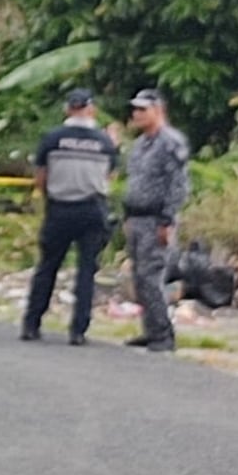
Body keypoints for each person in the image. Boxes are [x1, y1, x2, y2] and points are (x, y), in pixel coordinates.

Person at [21, 88, 119, 346]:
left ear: (67, 109)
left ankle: (31, 324)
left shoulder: (52, 139)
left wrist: (51, 197)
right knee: (86, 271)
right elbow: (109, 177)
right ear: (91, 109)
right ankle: (78, 331)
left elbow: (41, 178)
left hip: (59, 209)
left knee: (47, 267)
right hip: (92, 210)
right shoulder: (105, 142)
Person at [122, 88, 190, 352]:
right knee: (139, 278)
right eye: (135, 109)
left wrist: (167, 220)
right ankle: (150, 330)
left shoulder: (170, 142)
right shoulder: (140, 144)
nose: (136, 114)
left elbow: (178, 185)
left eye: (142, 109)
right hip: (137, 218)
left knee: (152, 276)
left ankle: (163, 334)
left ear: (158, 110)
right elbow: (134, 183)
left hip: (156, 219)